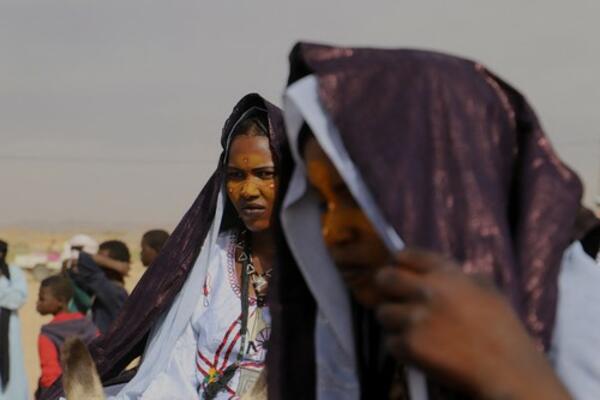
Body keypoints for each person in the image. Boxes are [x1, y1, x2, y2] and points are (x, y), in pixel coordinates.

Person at [269, 43, 600, 400]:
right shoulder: (365, 327)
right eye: (323, 204)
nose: (334, 233)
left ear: (447, 188)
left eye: (359, 200)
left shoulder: (576, 319)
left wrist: (511, 373)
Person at [39, 93, 288, 400]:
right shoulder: (211, 264)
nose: (248, 190)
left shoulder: (322, 271)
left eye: (265, 174)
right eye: (236, 175)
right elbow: (178, 369)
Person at [35, 275, 98, 397]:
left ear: (60, 301)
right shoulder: (87, 324)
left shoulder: (48, 334)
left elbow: (50, 377)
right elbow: (101, 351)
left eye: (42, 299)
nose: (38, 303)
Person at [67, 240, 130, 333]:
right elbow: (76, 276)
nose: (96, 264)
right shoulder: (106, 288)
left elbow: (85, 261)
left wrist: (118, 266)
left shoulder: (113, 291)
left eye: (101, 259)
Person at [0, 240, 28, 400]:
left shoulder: (14, 272)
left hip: (9, 330)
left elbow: (18, 298)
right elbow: (10, 296)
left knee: (13, 366)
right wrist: (5, 292)